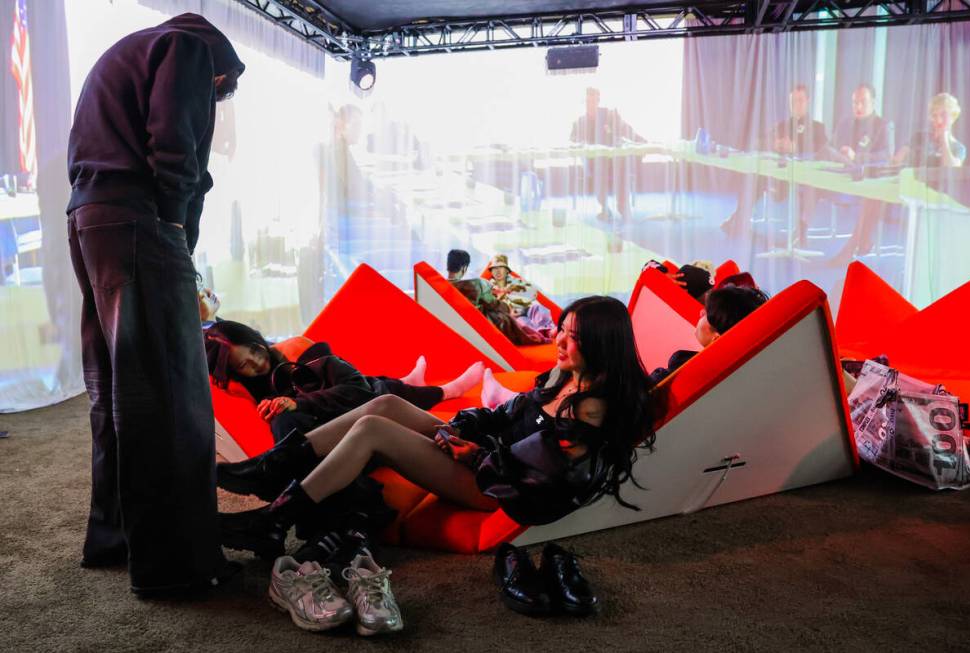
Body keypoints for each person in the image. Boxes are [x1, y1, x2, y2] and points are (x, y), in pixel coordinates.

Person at [217, 295, 659, 558]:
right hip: (485, 453)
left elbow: (545, 483)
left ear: (601, 343)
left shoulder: (589, 411)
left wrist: (476, 455)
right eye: (560, 329)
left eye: (572, 336)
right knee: (387, 402)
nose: (558, 340)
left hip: (496, 485)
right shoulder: (564, 377)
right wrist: (461, 426)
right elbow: (504, 416)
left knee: (374, 429)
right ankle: (272, 469)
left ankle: (273, 517)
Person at [65, 13, 245, 596]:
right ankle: (177, 566)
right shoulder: (188, 49)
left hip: (92, 220)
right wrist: (173, 223)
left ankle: (116, 538)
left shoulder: (130, 51)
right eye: (222, 89)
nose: (217, 98)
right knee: (172, 398)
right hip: (140, 222)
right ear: (221, 69)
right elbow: (175, 147)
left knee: (117, 389)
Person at [204, 320, 485, 444]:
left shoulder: (292, 352)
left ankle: (446, 390)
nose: (257, 361)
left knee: (380, 387)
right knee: (382, 388)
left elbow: (349, 389)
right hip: (343, 411)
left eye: (254, 349)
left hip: (351, 397)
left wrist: (297, 401)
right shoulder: (248, 392)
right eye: (245, 364)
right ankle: (418, 384)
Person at [832, 92, 966, 264]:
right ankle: (856, 245)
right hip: (909, 187)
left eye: (943, 115)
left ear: (953, 116)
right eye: (934, 115)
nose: (938, 120)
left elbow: (952, 169)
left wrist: (944, 139)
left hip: (936, 198)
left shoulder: (958, 147)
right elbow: (897, 158)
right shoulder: (920, 137)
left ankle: (857, 246)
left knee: (875, 200)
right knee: (872, 194)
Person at [721, 85, 828, 245]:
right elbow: (758, 142)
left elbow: (822, 151)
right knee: (754, 176)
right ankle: (739, 217)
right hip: (779, 177)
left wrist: (796, 148)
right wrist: (774, 144)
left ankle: (801, 231)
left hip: (805, 178)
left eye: (800, 100)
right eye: (793, 101)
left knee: (810, 187)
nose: (796, 105)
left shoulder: (818, 128)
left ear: (808, 101)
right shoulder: (782, 125)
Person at [826, 85, 894, 263]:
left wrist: (857, 156)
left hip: (868, 179)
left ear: (873, 102)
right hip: (841, 174)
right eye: (855, 102)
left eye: (862, 102)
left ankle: (851, 248)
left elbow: (886, 156)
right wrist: (837, 153)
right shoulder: (845, 123)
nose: (858, 106)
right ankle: (801, 231)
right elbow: (831, 145)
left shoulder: (884, 125)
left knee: (872, 198)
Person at [649, 284, 769, 384]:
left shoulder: (679, 370)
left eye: (706, 314)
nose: (701, 312)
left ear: (716, 339)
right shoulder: (751, 377)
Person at [569, 88, 646, 221]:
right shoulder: (579, 122)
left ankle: (623, 206)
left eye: (593, 101)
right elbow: (572, 140)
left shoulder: (610, 115)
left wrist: (642, 142)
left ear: (598, 101)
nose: (590, 104)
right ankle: (604, 207)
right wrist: (580, 143)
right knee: (600, 165)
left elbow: (625, 129)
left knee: (622, 161)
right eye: (587, 101)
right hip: (594, 162)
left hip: (614, 160)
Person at [487, 254, 556, 343]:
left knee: (539, 309)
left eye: (501, 267)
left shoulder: (517, 282)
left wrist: (512, 290)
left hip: (526, 309)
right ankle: (540, 336)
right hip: (511, 316)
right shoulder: (488, 287)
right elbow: (490, 306)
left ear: (507, 271)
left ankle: (548, 330)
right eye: (494, 268)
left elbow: (533, 293)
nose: (498, 271)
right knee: (523, 323)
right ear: (491, 271)